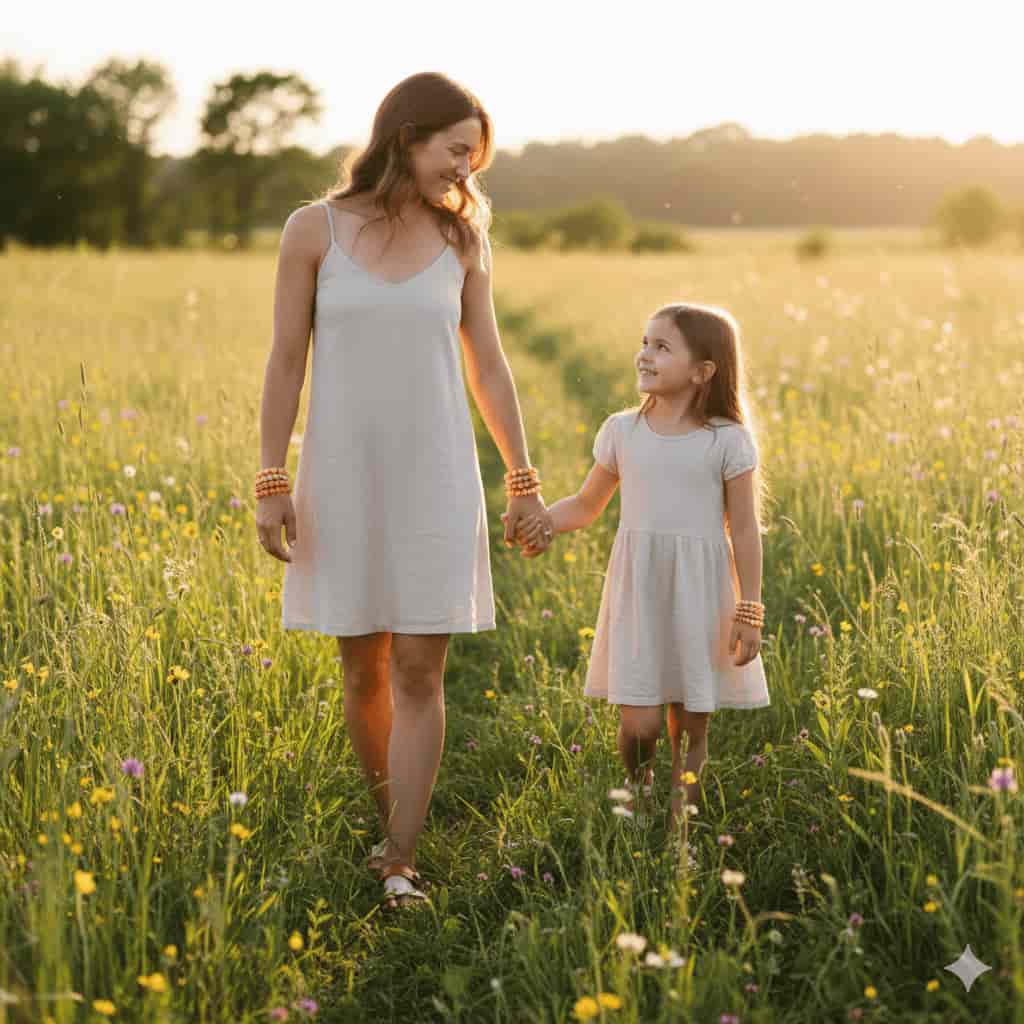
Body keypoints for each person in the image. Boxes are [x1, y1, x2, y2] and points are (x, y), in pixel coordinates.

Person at [255, 72, 555, 908]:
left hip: (437, 471)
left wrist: (523, 480)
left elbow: (487, 365)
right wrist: (271, 478)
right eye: (456, 150)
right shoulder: (312, 230)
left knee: (422, 666)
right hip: (342, 472)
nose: (467, 169)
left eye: (476, 157)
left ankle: (400, 857)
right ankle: (390, 817)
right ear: (405, 137)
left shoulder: (463, 241)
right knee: (364, 668)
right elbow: (286, 359)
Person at [511, 302, 770, 835]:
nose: (645, 355)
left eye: (662, 347)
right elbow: (586, 504)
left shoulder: (727, 440)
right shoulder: (622, 431)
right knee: (642, 723)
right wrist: (544, 524)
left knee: (690, 722)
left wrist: (749, 608)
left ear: (703, 372)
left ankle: (681, 824)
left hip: (701, 593)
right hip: (640, 589)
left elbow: (744, 529)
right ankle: (639, 787)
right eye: (645, 342)